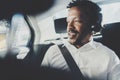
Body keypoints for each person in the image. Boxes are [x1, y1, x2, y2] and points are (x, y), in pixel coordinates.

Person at [41, 0, 120, 80]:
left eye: (77, 21)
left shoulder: (109, 56)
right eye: (68, 22)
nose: (69, 27)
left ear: (93, 24)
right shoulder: (53, 52)